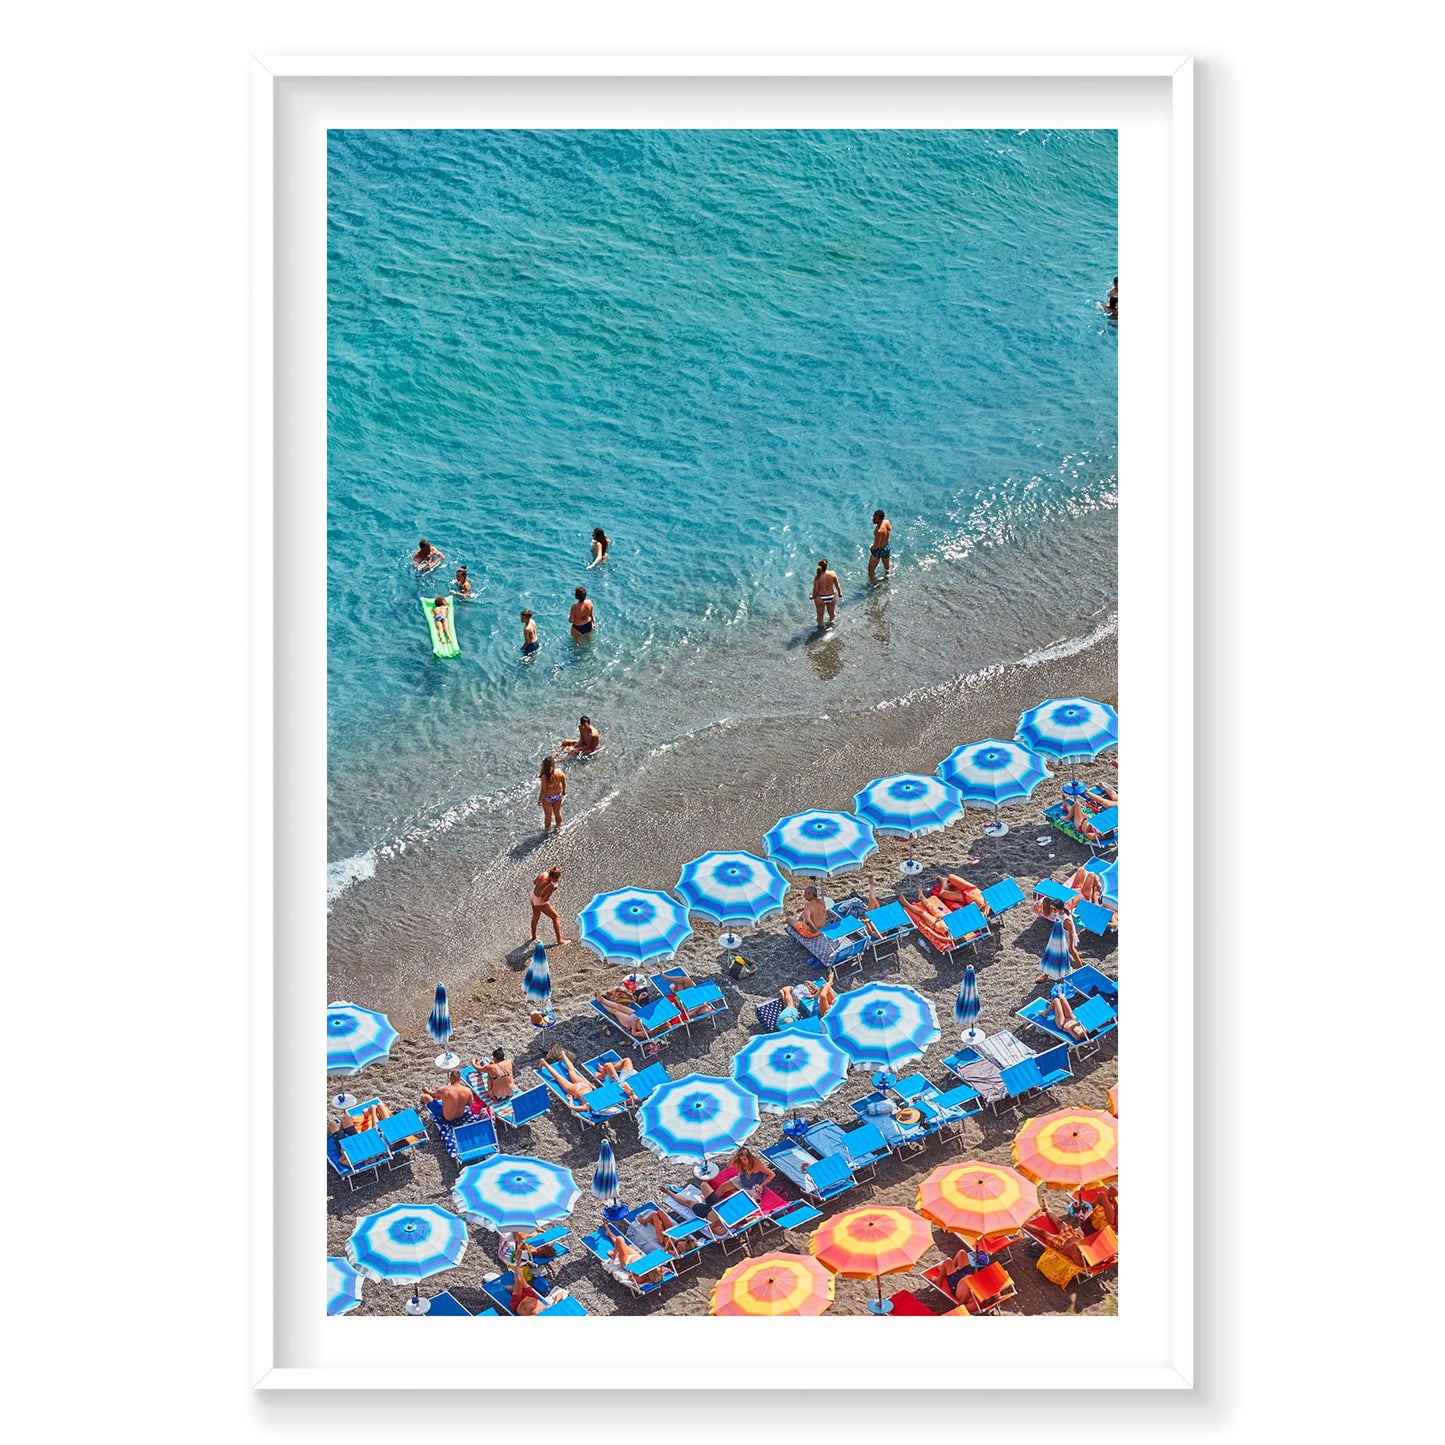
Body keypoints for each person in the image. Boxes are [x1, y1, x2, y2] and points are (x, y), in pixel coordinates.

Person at [600, 1219, 669, 1283]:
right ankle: (608, 1233)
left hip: (627, 1262)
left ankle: (614, 1256)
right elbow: (661, 1270)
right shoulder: (654, 1270)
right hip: (636, 1256)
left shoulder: (642, 1278)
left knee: (620, 1239)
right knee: (621, 1244)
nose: (655, 1268)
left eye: (655, 1270)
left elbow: (630, 1277)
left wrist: (633, 1274)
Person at [529, 865, 567, 945]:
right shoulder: (550, 886)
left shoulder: (543, 874)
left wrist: (540, 890)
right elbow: (545, 899)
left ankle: (533, 936)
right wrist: (552, 890)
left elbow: (535, 882)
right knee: (555, 917)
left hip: (532, 896)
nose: (557, 880)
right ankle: (560, 940)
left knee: (535, 916)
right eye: (556, 879)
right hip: (539, 901)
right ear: (553, 877)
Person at [538, 755, 566, 833]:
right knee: (558, 812)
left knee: (548, 816)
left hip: (548, 798)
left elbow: (543, 790)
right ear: (554, 764)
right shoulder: (559, 772)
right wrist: (563, 791)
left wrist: (540, 800)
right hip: (557, 795)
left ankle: (547, 831)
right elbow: (563, 781)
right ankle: (559, 827)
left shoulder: (544, 777)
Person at [811, 558, 840, 628]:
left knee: (820, 615)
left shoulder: (817, 577)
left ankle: (820, 628)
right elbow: (837, 585)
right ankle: (831, 626)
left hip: (820, 597)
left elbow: (816, 589)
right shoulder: (833, 573)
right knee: (832, 613)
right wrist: (840, 592)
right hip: (831, 596)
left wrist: (813, 596)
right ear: (827, 566)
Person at [868, 509, 892, 582]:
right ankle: (888, 577)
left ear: (879, 519)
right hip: (886, 547)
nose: (873, 518)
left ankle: (872, 582)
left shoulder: (878, 531)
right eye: (874, 516)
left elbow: (877, 545)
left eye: (875, 518)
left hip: (879, 550)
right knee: (887, 567)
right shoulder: (887, 522)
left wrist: (871, 548)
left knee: (870, 569)